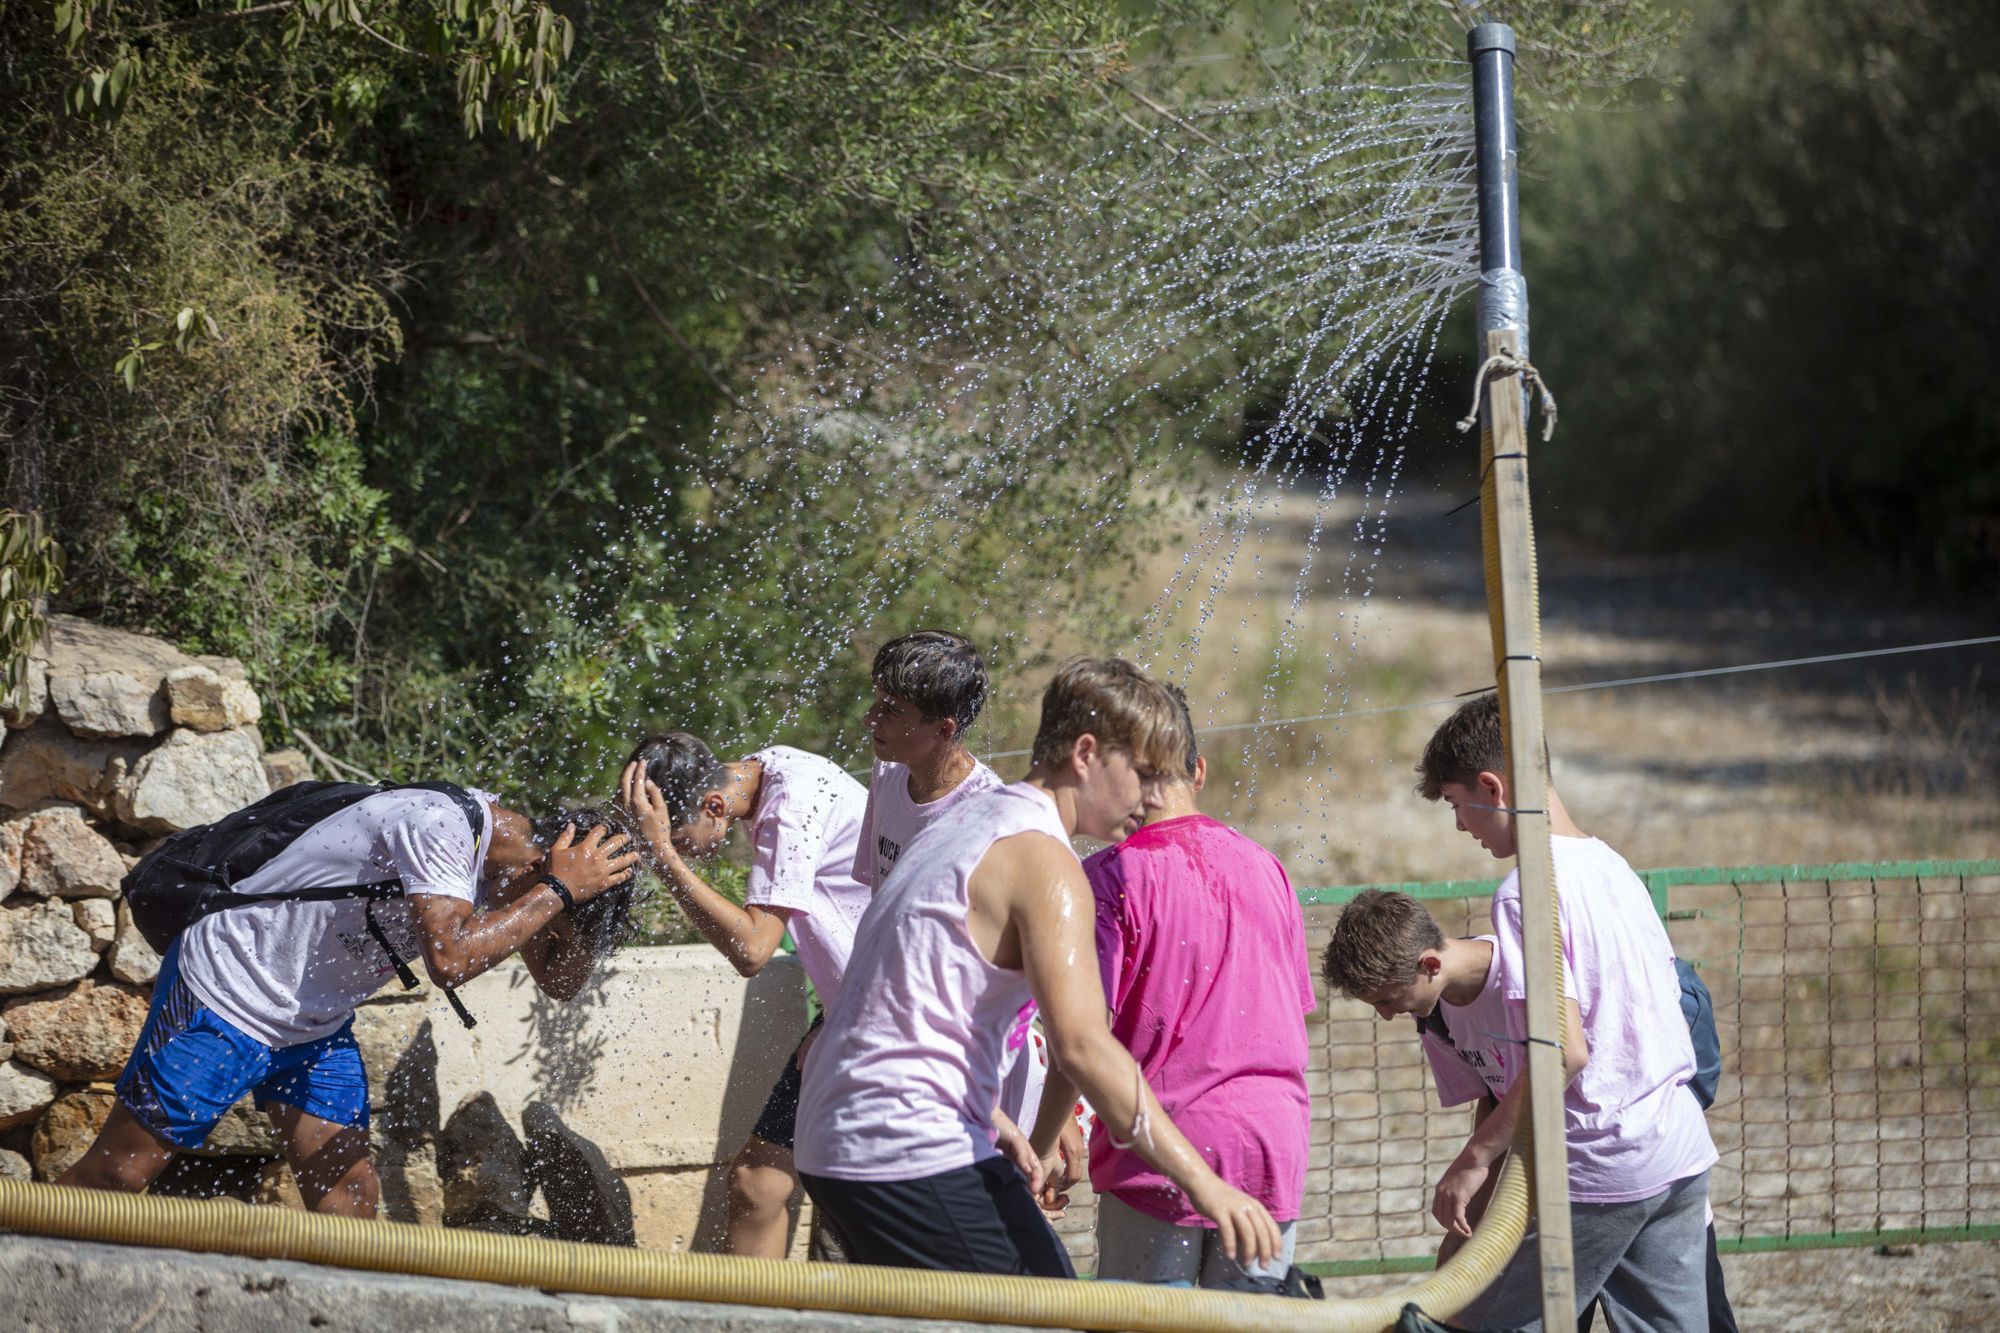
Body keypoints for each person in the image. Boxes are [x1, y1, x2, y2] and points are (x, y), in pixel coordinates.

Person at [792, 656, 1283, 1277]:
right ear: (1086, 753)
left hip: (847, 1131)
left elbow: (899, 999)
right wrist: (1207, 1186)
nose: (1152, 795)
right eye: (1143, 772)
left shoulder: (973, 819)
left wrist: (990, 1116)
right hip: (899, 1142)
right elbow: (1082, 1047)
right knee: (1044, 1308)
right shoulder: (1044, 862)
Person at [61, 783, 637, 1217]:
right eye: (553, 919)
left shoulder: (511, 875)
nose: (545, 932)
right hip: (230, 990)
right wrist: (559, 892)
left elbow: (559, 982)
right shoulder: (440, 827)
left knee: (349, 1211)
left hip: (312, 1027)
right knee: (116, 1180)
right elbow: (450, 961)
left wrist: (609, 867)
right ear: (543, 865)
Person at [1412, 692, 1717, 1332]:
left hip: (1599, 1166)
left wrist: (1474, 1159)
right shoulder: (1613, 866)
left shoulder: (1525, 894)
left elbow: (1566, 1053)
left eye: (1455, 804)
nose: (1461, 826)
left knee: (1471, 1319)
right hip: (1678, 1151)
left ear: (1492, 788)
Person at [1080, 685, 1315, 1288]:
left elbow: (1082, 1033)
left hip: (1160, 1148)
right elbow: (1294, 1012)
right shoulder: (1268, 866)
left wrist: (1056, 1127)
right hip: (1271, 1146)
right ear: (1199, 770)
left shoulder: (1113, 875)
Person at [619, 733, 867, 1259]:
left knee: (843, 1204)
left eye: (682, 839)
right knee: (758, 1187)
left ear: (713, 806)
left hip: (887, 1020)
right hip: (848, 1013)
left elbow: (754, 949)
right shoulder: (770, 769)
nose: (686, 853)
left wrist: (665, 858)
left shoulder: (791, 810)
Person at [854, 629, 1084, 1193]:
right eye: (875, 698)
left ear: (944, 729)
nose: (870, 719)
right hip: (902, 1047)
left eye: (892, 709)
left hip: (983, 1062)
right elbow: (879, 911)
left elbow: (1047, 968)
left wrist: (1066, 1114)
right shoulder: (887, 775)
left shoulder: (990, 816)